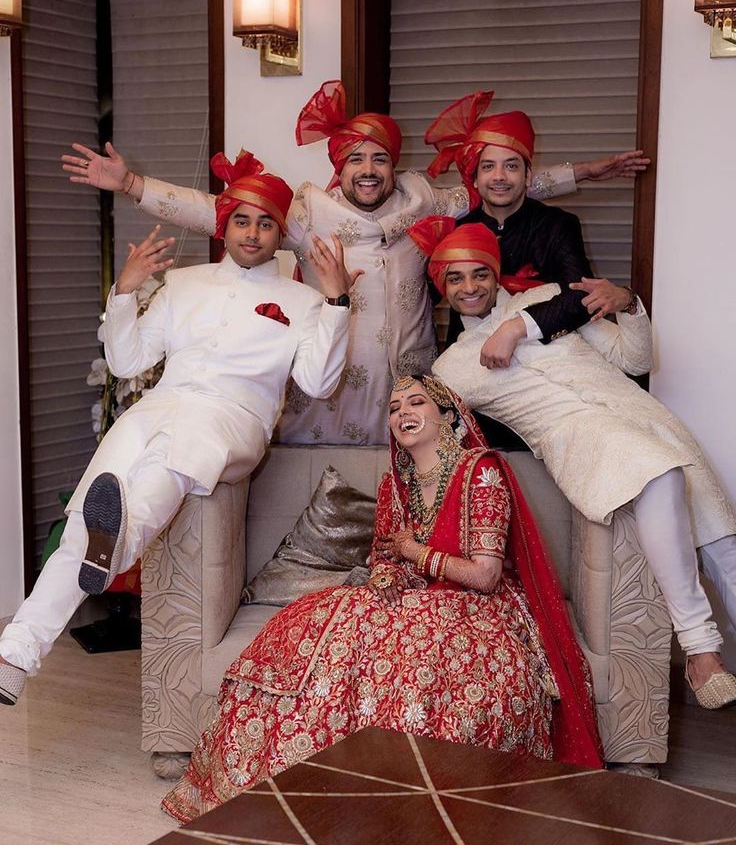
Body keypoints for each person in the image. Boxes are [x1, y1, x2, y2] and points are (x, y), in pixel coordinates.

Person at [61, 81, 648, 446]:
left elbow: (503, 185)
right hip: (333, 376)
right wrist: (134, 185)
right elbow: (223, 210)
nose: (368, 170)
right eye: (355, 160)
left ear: (394, 165)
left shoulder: (426, 198)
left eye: (380, 159)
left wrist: (587, 173)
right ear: (338, 168)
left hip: (412, 367)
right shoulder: (306, 211)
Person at [160, 374, 602, 823]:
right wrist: (389, 575)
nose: (402, 413)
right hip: (412, 597)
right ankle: (301, 789)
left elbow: (485, 575)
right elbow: (382, 555)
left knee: (415, 667)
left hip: (475, 607)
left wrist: (414, 553)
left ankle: (399, 807)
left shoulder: (480, 472)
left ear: (448, 417)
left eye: (416, 403)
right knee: (318, 630)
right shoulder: (396, 483)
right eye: (393, 408)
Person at [0, 150, 356, 706]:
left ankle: (112, 544)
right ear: (226, 224)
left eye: (266, 223)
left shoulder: (304, 300)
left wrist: (337, 303)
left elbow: (319, 381)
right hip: (161, 406)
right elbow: (127, 360)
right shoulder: (183, 284)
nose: (253, 232)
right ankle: (15, 656)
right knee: (84, 525)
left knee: (162, 474)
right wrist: (124, 291)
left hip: (233, 419)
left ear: (279, 233)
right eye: (242, 219)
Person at [417, 219, 736, 709]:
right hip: (583, 443)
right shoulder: (450, 368)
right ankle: (700, 649)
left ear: (496, 273)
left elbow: (635, 358)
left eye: (479, 273)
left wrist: (627, 303)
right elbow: (446, 437)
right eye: (454, 279)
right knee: (659, 472)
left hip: (651, 424)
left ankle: (702, 653)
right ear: (442, 288)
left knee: (728, 559)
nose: (469, 287)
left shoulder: (544, 301)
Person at [424, 90, 639, 365]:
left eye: (511, 166)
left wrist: (515, 328)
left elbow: (578, 297)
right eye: (488, 166)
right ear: (474, 178)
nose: (499, 177)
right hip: (469, 360)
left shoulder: (557, 225)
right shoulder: (455, 230)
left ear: (527, 176)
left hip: (547, 359)